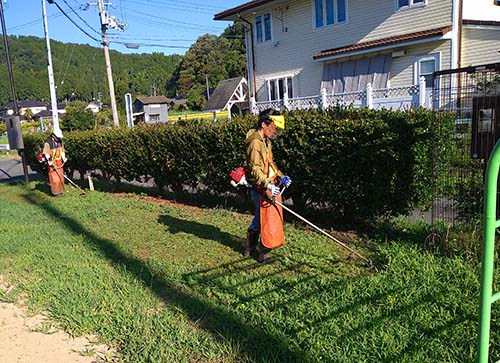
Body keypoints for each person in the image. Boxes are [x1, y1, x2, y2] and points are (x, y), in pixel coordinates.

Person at [244, 109, 292, 263]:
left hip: (267, 184)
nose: (275, 131)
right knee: (263, 219)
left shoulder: (266, 141)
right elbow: (255, 168)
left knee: (265, 218)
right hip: (259, 186)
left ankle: (252, 249)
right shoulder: (255, 142)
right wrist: (267, 185)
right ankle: (256, 251)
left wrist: (281, 176)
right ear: (264, 124)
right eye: (274, 127)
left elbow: (270, 162)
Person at [42, 129, 67, 197]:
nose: (58, 138)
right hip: (52, 162)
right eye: (57, 137)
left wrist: (64, 158)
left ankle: (61, 191)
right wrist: (49, 161)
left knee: (60, 177)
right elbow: (46, 153)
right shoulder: (48, 143)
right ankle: (56, 193)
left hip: (59, 162)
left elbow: (62, 151)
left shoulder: (60, 142)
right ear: (53, 136)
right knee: (54, 178)